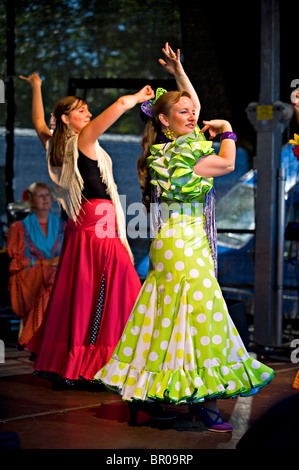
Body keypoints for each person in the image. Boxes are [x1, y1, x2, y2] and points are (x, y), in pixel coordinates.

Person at [94, 43, 274, 431]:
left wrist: (178, 71)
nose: (193, 115)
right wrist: (226, 129)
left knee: (166, 320)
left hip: (175, 244)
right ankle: (200, 403)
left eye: (194, 112)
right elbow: (226, 162)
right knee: (198, 322)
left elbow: (190, 103)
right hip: (184, 247)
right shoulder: (178, 155)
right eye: (184, 113)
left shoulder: (165, 151)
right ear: (163, 119)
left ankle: (144, 396)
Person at [20, 71, 155, 388]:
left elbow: (40, 123)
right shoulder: (82, 140)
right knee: (118, 292)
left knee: (83, 294)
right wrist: (137, 98)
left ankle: (80, 362)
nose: (89, 114)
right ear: (66, 119)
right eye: (82, 110)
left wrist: (37, 87)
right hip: (99, 224)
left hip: (80, 225)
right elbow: (121, 103)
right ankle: (103, 363)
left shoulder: (56, 145)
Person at [7, 182, 65, 348]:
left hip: (55, 273)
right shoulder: (19, 228)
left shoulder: (62, 226)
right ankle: (36, 337)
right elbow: (17, 262)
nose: (45, 199)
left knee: (58, 278)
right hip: (30, 275)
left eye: (47, 195)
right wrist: (45, 262)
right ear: (32, 201)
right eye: (40, 196)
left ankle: (48, 336)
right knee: (51, 277)